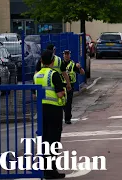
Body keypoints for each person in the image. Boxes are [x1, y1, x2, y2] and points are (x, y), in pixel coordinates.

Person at [33, 50, 66, 179]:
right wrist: (63, 92)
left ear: (41, 61)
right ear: (52, 62)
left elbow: (34, 94)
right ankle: (51, 170)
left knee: (45, 139)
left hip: (42, 110)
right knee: (54, 140)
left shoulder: (37, 76)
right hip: (54, 110)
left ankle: (44, 169)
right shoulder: (54, 75)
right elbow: (59, 94)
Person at [62, 50, 85, 124]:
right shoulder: (60, 64)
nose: (66, 56)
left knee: (68, 102)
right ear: (63, 55)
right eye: (65, 54)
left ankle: (67, 118)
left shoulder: (73, 64)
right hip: (61, 85)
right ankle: (65, 115)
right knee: (62, 103)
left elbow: (82, 73)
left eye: (68, 54)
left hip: (70, 85)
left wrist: (80, 67)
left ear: (70, 55)